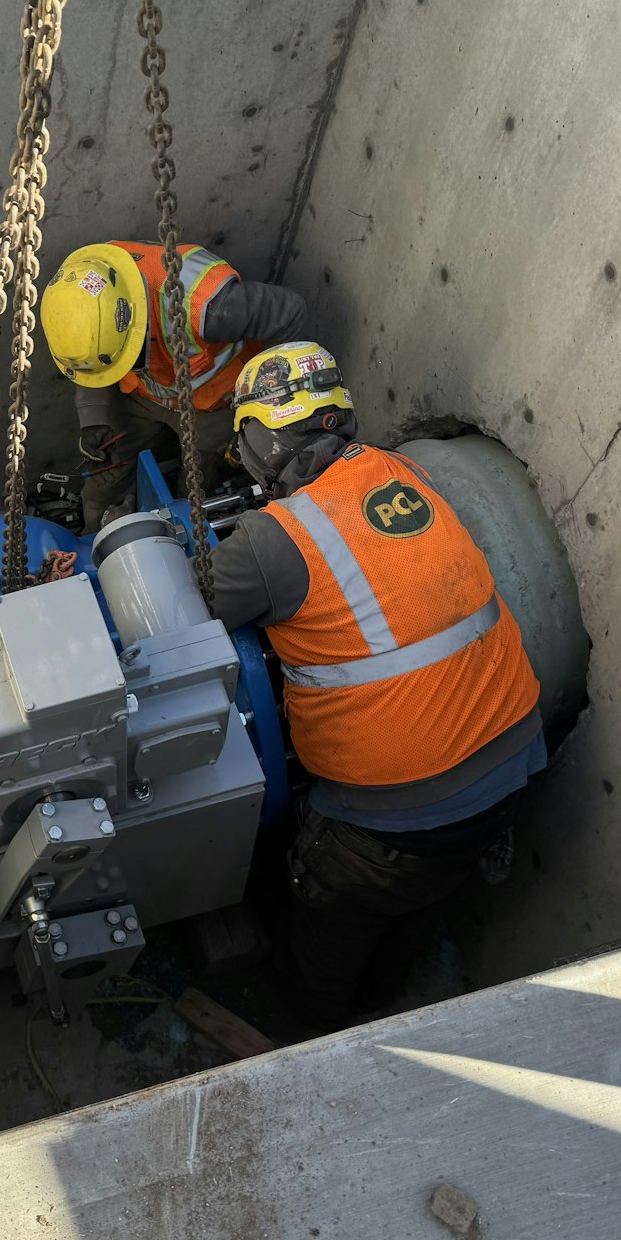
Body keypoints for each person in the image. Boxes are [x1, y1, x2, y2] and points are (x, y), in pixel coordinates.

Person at [208, 342, 544, 1028]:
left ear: (263, 439)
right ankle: (391, 985)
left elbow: (203, 600)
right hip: (517, 760)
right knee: (421, 896)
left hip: (395, 819)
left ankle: (319, 1030)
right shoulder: (401, 469)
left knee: (330, 925)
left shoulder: (275, 540)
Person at [39, 241, 307, 532]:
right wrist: (93, 418)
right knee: (104, 484)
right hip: (142, 395)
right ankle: (94, 539)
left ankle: (183, 535)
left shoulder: (210, 307)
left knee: (195, 490)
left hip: (214, 404)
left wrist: (268, 399)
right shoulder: (85, 284)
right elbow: (93, 366)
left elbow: (290, 312)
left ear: (136, 323)